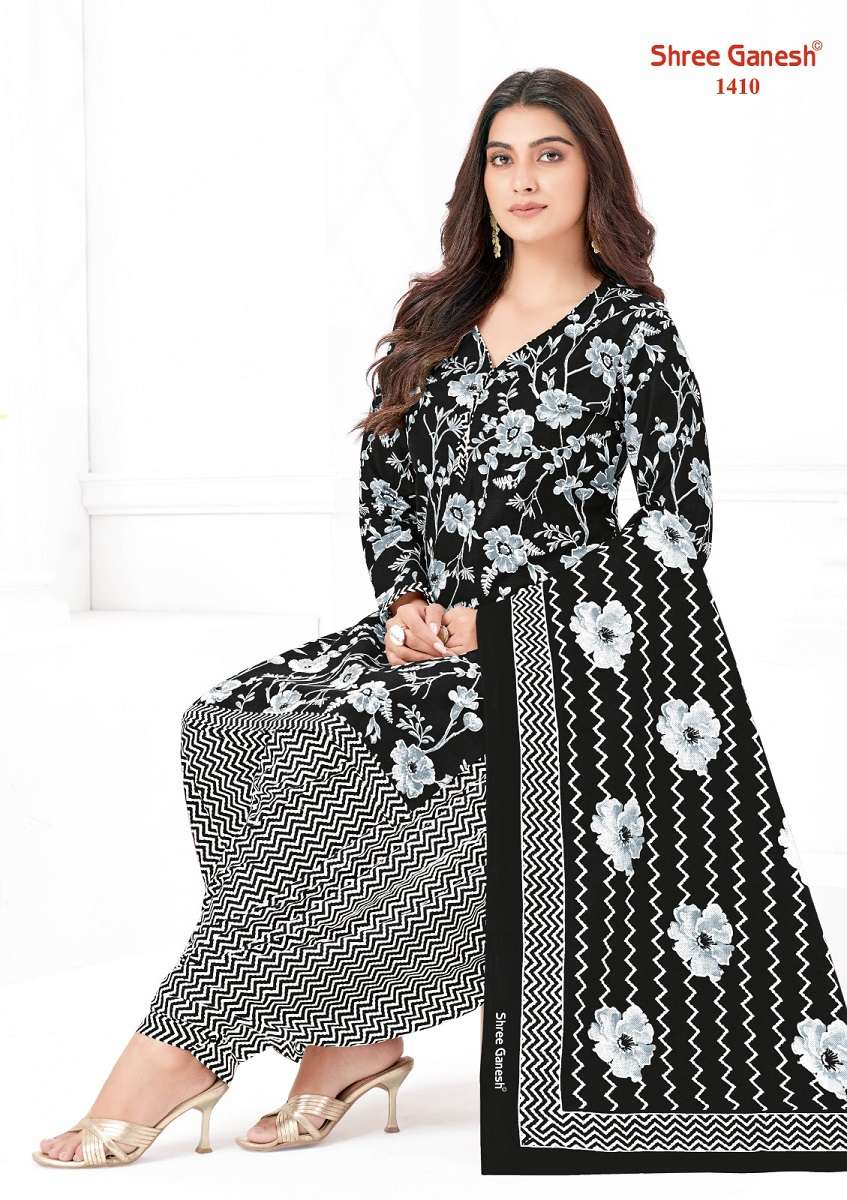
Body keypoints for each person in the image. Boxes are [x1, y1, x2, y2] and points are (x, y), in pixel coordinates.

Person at [34, 66, 844, 1171]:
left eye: (549, 154)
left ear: (594, 172)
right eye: (501, 158)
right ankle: (356, 1028)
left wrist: (509, 620)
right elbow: (389, 483)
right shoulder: (438, 316)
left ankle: (182, 1048)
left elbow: (672, 527)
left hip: (558, 652)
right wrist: (406, 600)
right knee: (237, 726)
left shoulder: (631, 334)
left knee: (352, 756)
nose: (523, 178)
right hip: (423, 636)